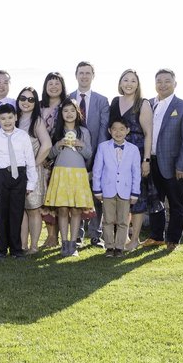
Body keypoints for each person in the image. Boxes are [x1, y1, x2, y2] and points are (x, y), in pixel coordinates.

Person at [142, 69, 183, 252]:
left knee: (176, 204)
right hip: (151, 162)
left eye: (167, 81)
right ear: (155, 84)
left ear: (175, 84)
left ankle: (173, 239)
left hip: (174, 166)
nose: (163, 84)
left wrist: (182, 165)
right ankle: (156, 236)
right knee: (155, 202)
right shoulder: (148, 104)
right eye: (159, 81)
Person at [109, 69, 163, 251]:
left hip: (137, 154)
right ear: (120, 82)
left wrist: (146, 160)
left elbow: (148, 134)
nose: (129, 84)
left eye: (133, 80)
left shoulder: (143, 103)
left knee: (137, 197)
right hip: (116, 154)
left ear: (138, 84)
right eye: (125, 80)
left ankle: (134, 240)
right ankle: (122, 238)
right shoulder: (115, 102)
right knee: (121, 196)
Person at [0, 104, 39, 258]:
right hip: (1, 177)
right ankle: (1, 249)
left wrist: (31, 183)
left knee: (16, 214)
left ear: (15, 117)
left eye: (9, 117)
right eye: (3, 118)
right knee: (1, 215)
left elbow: (30, 160)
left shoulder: (23, 136)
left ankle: (16, 249)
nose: (7, 121)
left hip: (19, 177)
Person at [44, 98, 95, 257]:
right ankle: (64, 243)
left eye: (72, 110)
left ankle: (73, 245)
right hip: (60, 173)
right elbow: (50, 155)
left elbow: (89, 154)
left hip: (78, 174)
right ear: (61, 113)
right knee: (63, 209)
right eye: (65, 111)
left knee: (76, 209)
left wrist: (80, 145)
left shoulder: (84, 132)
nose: (69, 113)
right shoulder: (57, 131)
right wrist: (58, 145)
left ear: (78, 113)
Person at [70, 61, 110, 247]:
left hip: (95, 154)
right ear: (76, 75)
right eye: (81, 73)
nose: (84, 76)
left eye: (88, 73)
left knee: (96, 195)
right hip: (73, 156)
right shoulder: (68, 98)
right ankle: (77, 235)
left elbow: (103, 129)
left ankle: (95, 234)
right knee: (76, 196)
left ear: (93, 76)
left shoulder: (102, 100)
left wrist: (97, 156)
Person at [92, 119, 141, 257]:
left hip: (125, 191)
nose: (118, 132)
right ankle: (109, 246)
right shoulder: (103, 147)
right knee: (107, 220)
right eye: (114, 129)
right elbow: (97, 169)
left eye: (121, 129)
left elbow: (136, 172)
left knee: (123, 221)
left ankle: (119, 247)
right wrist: (97, 189)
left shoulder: (133, 149)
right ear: (109, 131)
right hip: (107, 190)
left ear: (127, 130)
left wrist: (135, 192)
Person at [15, 87, 52, 254]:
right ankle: (23, 245)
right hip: (16, 171)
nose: (26, 102)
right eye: (23, 98)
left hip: (33, 172)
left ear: (35, 103)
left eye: (31, 99)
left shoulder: (36, 121)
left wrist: (34, 165)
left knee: (33, 209)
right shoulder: (14, 119)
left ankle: (34, 246)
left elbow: (47, 145)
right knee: (21, 209)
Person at [39, 71, 68, 248]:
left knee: (59, 198)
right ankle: (50, 236)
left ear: (62, 87)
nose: (54, 86)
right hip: (40, 157)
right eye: (50, 83)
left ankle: (60, 236)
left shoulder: (67, 105)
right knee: (45, 197)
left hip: (60, 156)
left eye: (57, 83)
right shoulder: (39, 106)